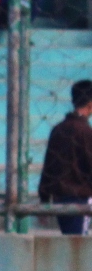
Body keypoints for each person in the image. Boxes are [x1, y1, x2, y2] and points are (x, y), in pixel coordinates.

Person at [38, 80, 92, 235]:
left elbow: (48, 166)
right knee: (79, 241)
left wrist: (44, 198)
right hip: (81, 199)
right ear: (90, 104)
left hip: (60, 199)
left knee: (71, 239)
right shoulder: (86, 133)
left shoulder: (58, 130)